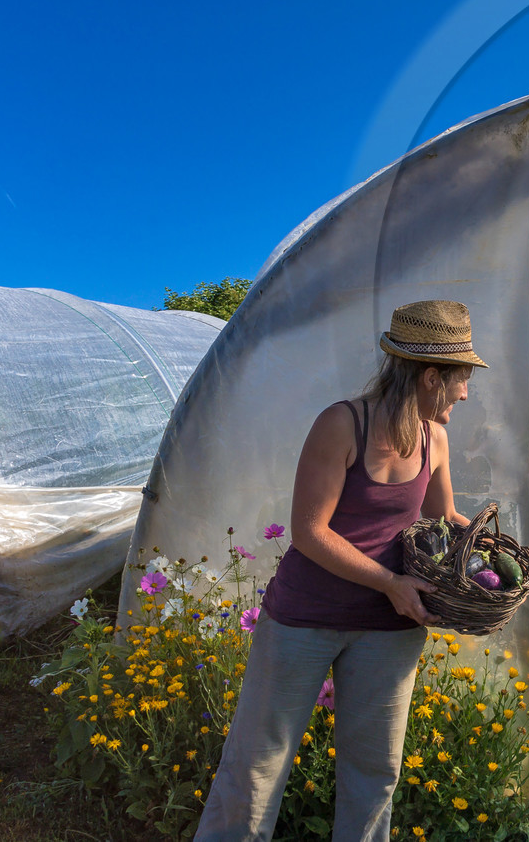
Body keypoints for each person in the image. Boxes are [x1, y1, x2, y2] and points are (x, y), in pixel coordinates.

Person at [196, 301, 486, 842]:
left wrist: (487, 550)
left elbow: (442, 518)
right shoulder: (342, 423)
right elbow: (309, 531)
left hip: (391, 627)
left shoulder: (435, 439)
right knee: (256, 769)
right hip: (306, 617)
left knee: (375, 774)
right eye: (461, 379)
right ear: (430, 376)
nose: (465, 393)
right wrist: (389, 582)